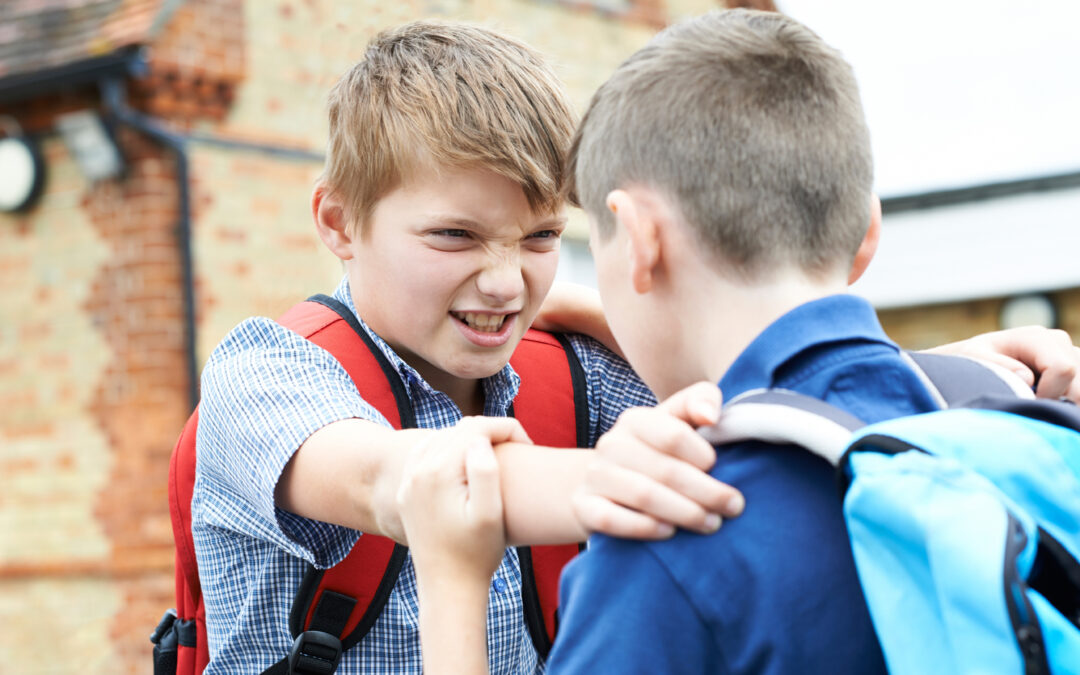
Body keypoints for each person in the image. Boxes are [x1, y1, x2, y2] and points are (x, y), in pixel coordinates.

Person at [197, 15, 1079, 675]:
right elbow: (404, 480)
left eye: (541, 237)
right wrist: (622, 482)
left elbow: (760, 387)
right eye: (455, 236)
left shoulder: (577, 376)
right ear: (337, 222)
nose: (504, 282)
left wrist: (946, 370)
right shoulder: (266, 373)